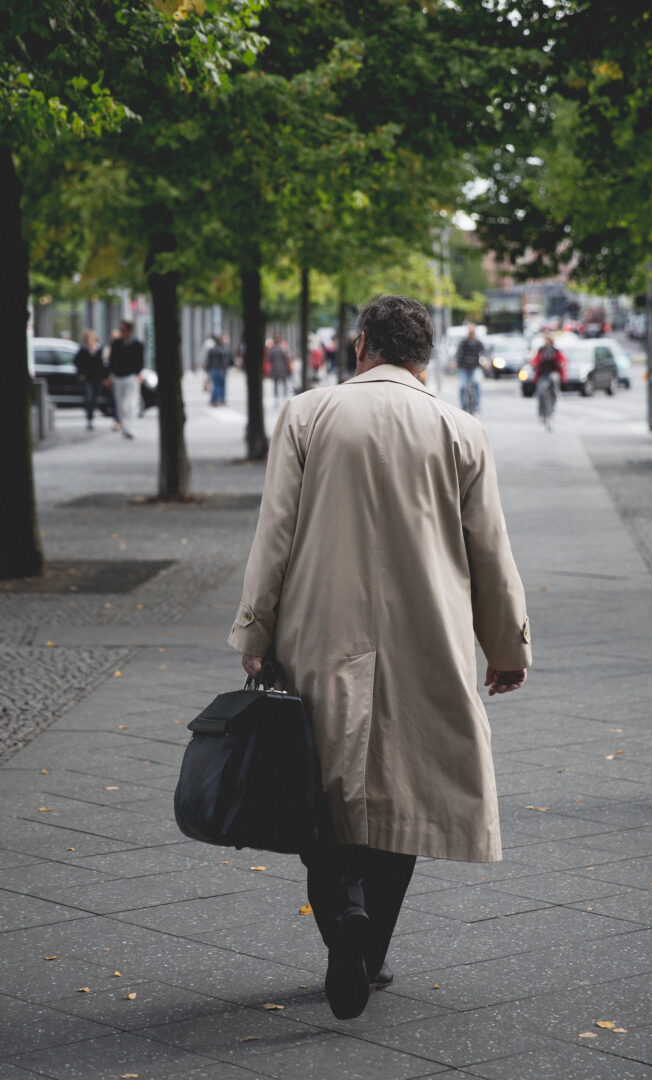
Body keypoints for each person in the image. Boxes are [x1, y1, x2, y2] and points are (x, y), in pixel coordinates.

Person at [228, 294, 531, 1021]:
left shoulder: (308, 414)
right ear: (424, 358)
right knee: (407, 791)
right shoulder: (461, 430)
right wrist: (506, 644)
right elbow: (490, 552)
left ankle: (344, 917)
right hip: (427, 639)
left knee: (319, 790)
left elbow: (275, 534)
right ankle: (369, 952)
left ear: (361, 344)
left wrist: (255, 634)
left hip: (318, 632)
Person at [108, 320, 144, 439]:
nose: (122, 332)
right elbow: (112, 360)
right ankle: (124, 425)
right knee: (120, 405)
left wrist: (138, 373)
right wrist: (110, 375)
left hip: (131, 377)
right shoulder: (116, 343)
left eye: (124, 330)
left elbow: (140, 360)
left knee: (130, 403)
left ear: (129, 331)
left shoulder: (137, 344)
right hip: (118, 377)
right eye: (121, 330)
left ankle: (130, 427)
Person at [74, 329, 105, 430]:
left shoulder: (99, 349)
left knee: (95, 399)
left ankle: (91, 416)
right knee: (88, 398)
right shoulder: (83, 350)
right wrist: (81, 373)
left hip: (97, 378)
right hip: (87, 378)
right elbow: (77, 362)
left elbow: (102, 364)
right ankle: (89, 418)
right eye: (89, 339)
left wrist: (104, 376)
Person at [531, 334, 568, 419]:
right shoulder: (541, 350)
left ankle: (555, 395)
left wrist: (561, 364)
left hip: (553, 372)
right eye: (546, 340)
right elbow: (535, 360)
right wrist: (534, 364)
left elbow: (563, 360)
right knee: (541, 391)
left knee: (554, 380)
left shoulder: (556, 351)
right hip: (543, 373)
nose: (547, 342)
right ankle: (541, 413)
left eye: (548, 340)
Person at [456, 323, 486, 414]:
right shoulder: (463, 343)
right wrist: (454, 362)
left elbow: (484, 354)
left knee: (476, 383)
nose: (471, 334)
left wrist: (485, 363)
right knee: (463, 387)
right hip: (463, 368)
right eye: (470, 332)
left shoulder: (478, 343)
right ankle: (463, 406)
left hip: (475, 367)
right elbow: (458, 354)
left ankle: (477, 405)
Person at [204, 333, 231, 406]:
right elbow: (226, 361)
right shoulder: (223, 350)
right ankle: (221, 400)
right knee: (221, 386)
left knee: (215, 385)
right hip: (221, 369)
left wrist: (208, 370)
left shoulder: (212, 350)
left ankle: (214, 400)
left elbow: (208, 361)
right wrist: (226, 369)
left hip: (213, 369)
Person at [267, 332, 292, 402]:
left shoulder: (272, 349)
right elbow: (286, 358)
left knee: (276, 383)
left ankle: (276, 396)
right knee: (284, 382)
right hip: (283, 368)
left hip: (275, 368)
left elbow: (269, 359)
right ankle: (285, 395)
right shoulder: (283, 348)